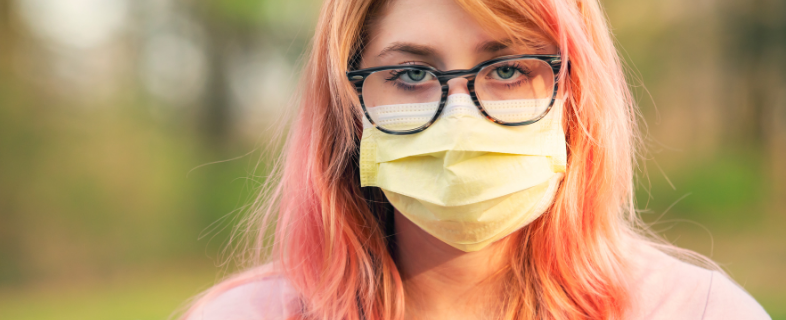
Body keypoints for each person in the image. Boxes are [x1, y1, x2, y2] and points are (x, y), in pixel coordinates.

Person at [181, 0, 771, 319]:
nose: (462, 116)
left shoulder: (698, 314)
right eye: (411, 73)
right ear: (349, 107)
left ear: (573, 95)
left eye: (508, 69)